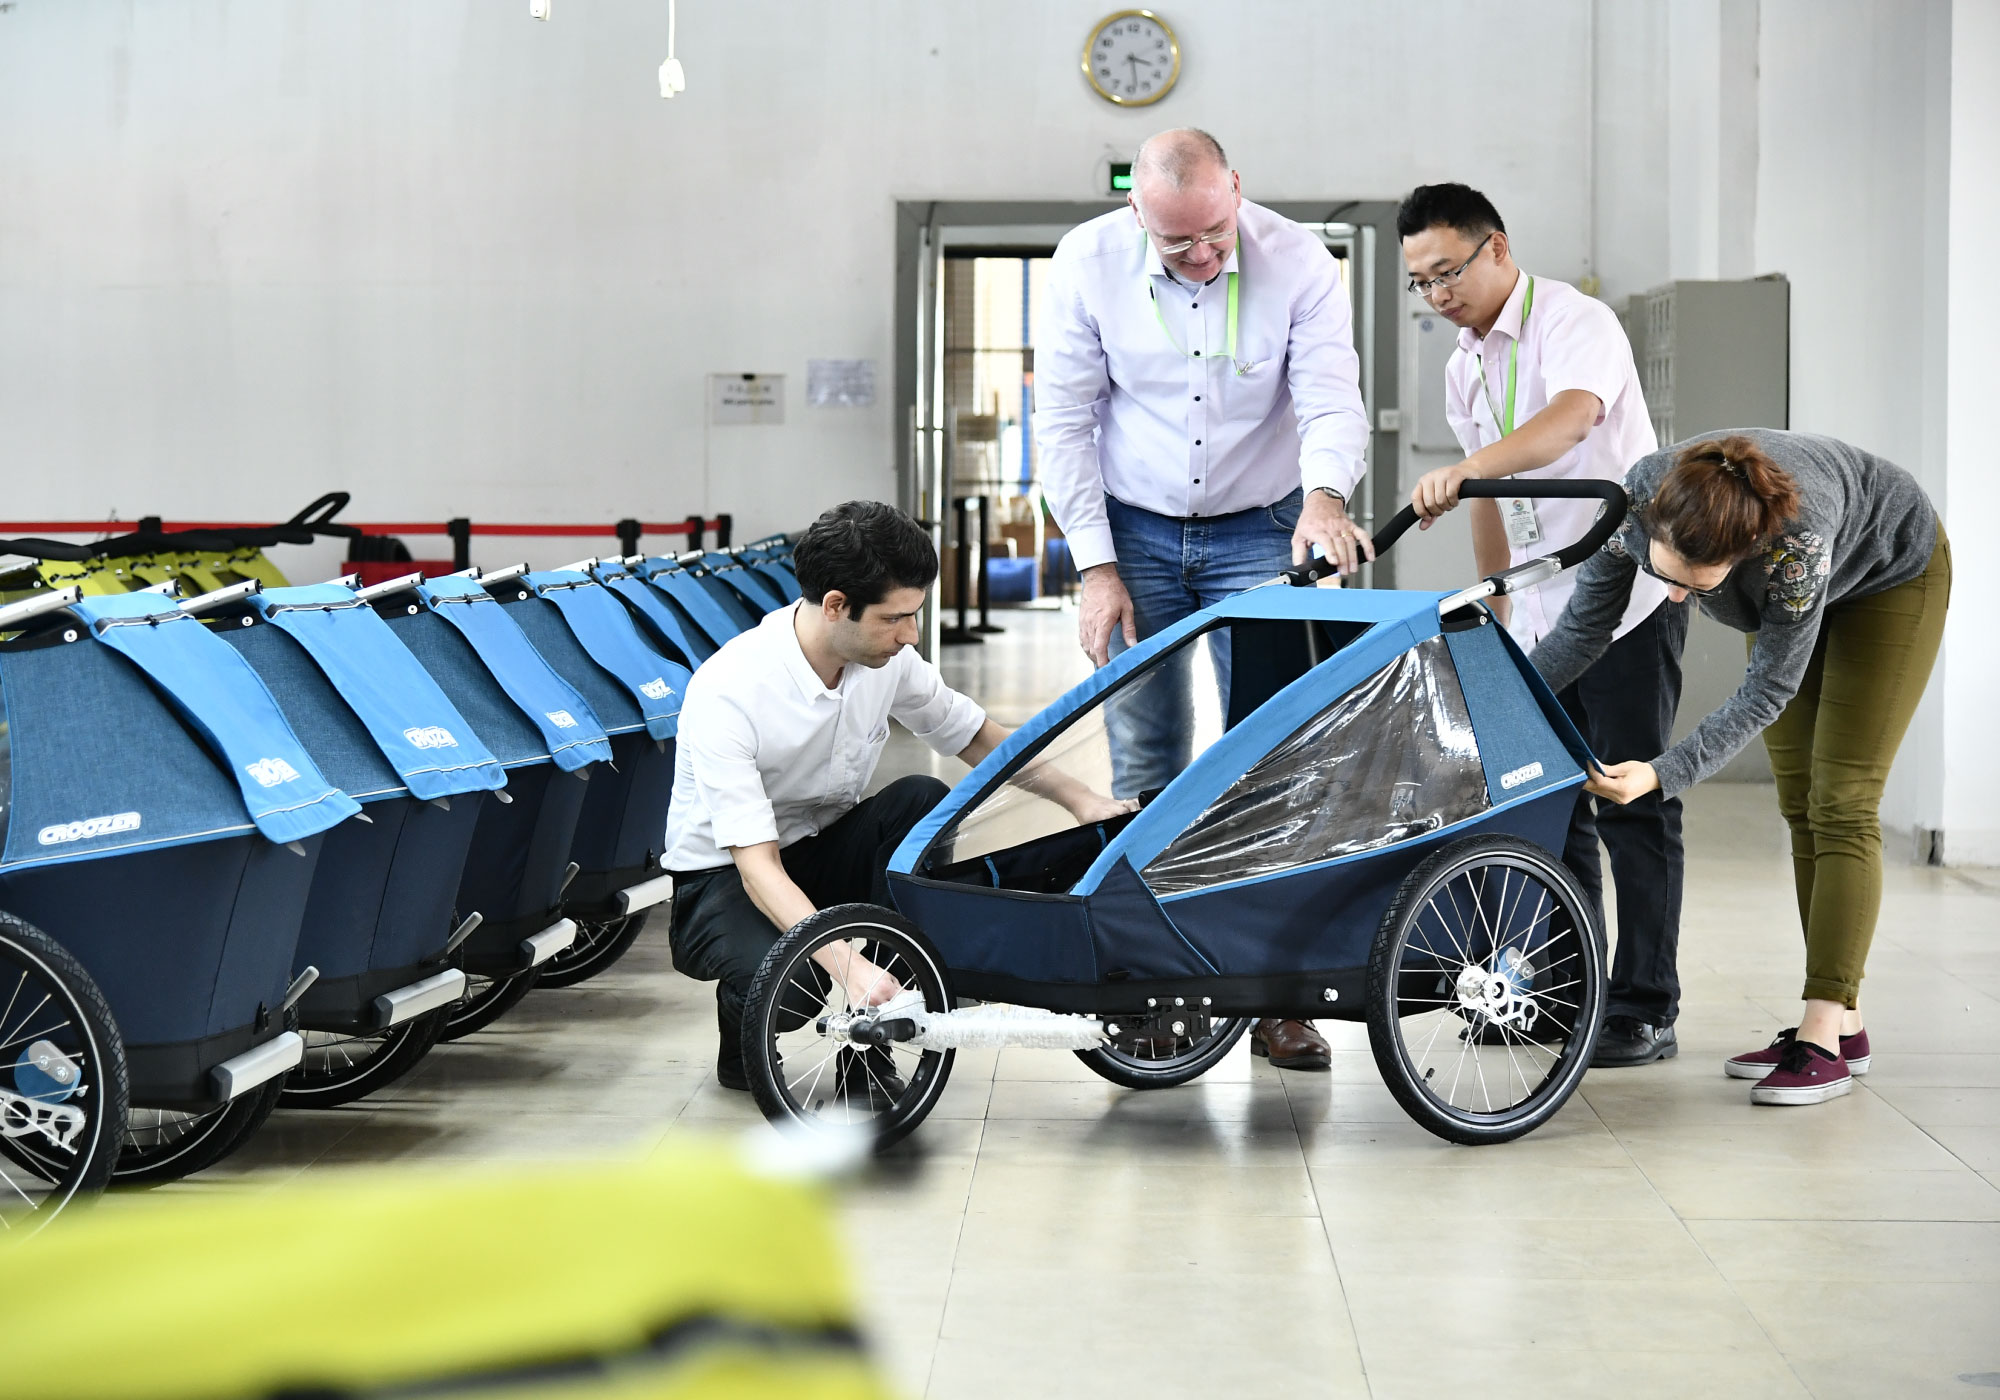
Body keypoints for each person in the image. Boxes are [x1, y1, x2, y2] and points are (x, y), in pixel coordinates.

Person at [1033, 127, 1370, 1072]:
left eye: (1215, 231)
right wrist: (1096, 565)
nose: (1203, 255)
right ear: (1136, 213)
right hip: (1132, 528)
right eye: (1177, 242)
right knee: (1147, 754)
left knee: (1271, 753)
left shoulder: (1297, 259)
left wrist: (1325, 497)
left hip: (1261, 523)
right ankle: (1146, 989)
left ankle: (1278, 996)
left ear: (1237, 189)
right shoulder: (1086, 263)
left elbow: (1330, 397)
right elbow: (1062, 420)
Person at [1533, 431, 1949, 1106]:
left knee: (1841, 800)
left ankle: (1822, 1036)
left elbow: (1765, 691)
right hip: (1789, 588)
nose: (1673, 599)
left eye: (1693, 587)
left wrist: (1661, 772)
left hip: (1889, 576)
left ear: (1746, 550)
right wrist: (1500, 711)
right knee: (1799, 801)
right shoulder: (1639, 497)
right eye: (1664, 575)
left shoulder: (1794, 544)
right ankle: (1848, 1024)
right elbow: (1582, 631)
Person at [665, 501, 1131, 1096]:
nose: (910, 635)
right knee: (796, 984)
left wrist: (1082, 800)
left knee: (919, 801)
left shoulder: (885, 658)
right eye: (896, 618)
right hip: (725, 876)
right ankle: (746, 1024)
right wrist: (846, 964)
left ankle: (874, 1042)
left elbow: (974, 735)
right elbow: (757, 866)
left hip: (821, 846)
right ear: (836, 605)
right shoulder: (730, 691)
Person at [1397, 183, 1688, 1069]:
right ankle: (1564, 989)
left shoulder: (1575, 320)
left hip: (1629, 597)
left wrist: (1471, 466)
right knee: (1547, 807)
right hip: (1541, 612)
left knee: (1632, 797)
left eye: (1448, 271)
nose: (1438, 294)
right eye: (1420, 282)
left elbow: (1571, 423)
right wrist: (1493, 597)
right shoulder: (1462, 365)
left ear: (1497, 249)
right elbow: (1488, 502)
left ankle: (1644, 1007)